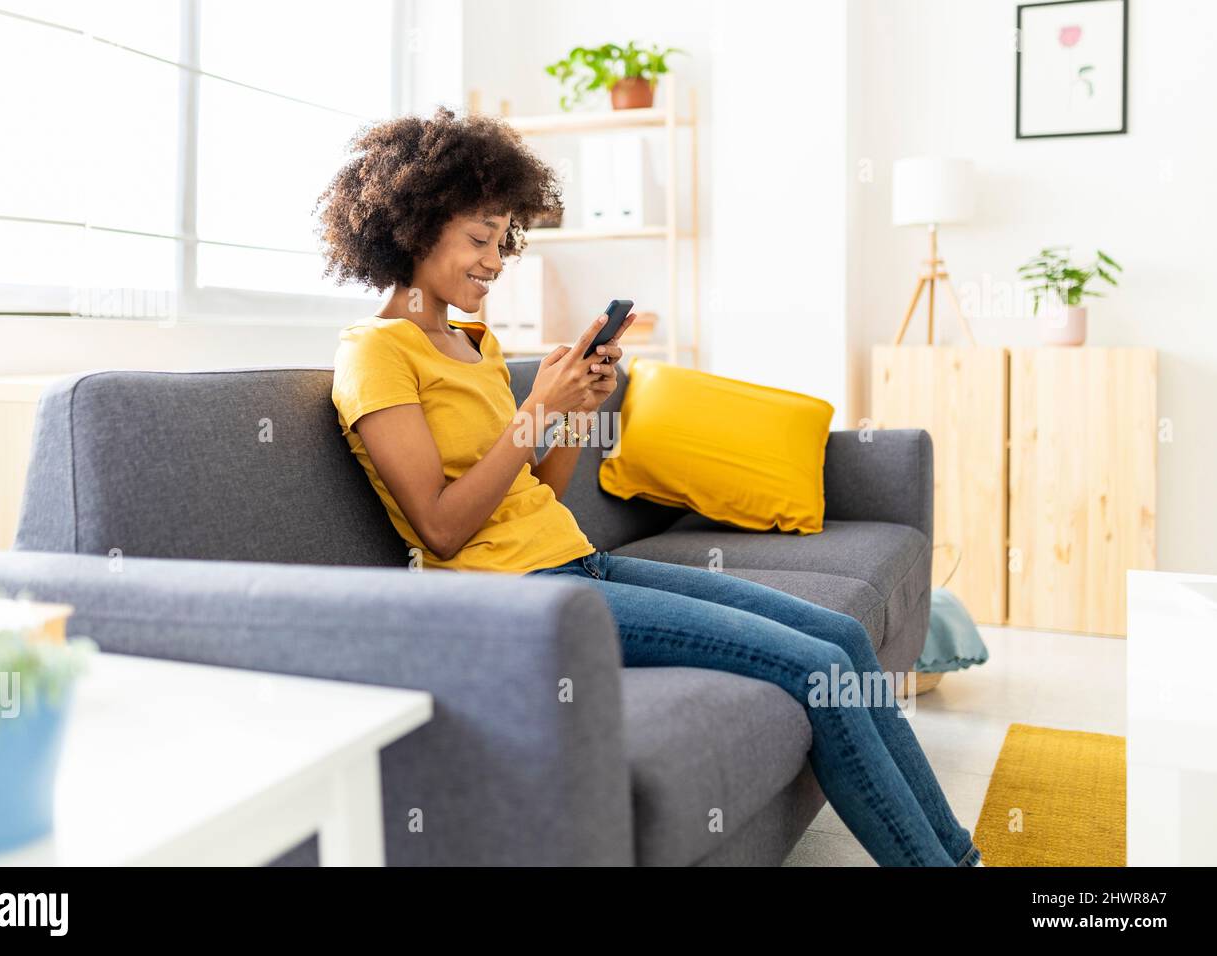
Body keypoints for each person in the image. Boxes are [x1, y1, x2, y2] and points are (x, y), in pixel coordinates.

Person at [317, 106, 982, 867]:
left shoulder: (477, 343)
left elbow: (539, 491)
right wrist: (539, 407)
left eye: (503, 242)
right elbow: (439, 528)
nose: (495, 261)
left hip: (576, 562)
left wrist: (576, 411)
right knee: (816, 668)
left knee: (841, 638)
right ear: (413, 226)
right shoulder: (374, 355)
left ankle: (960, 856)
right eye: (478, 240)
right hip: (514, 595)